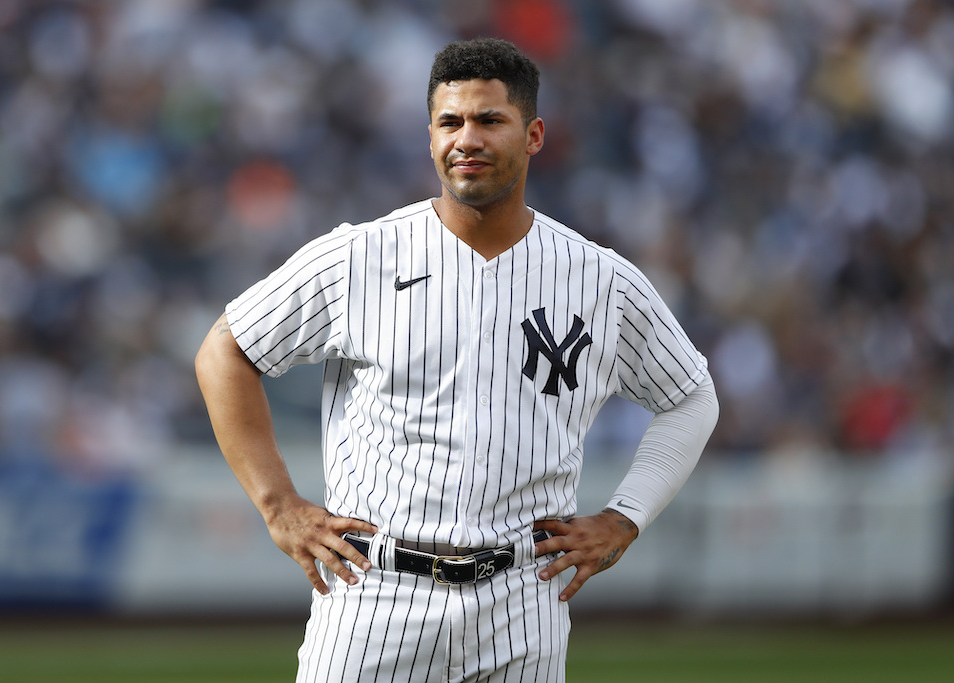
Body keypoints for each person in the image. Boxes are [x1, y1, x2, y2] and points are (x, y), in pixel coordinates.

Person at [195, 37, 719, 683]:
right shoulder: (362, 256)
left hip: (523, 595)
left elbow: (691, 395)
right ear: (431, 134)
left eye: (489, 120)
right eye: (450, 122)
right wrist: (279, 505)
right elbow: (227, 348)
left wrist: (624, 517)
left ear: (533, 135)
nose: (466, 138)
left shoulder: (598, 279)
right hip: (376, 590)